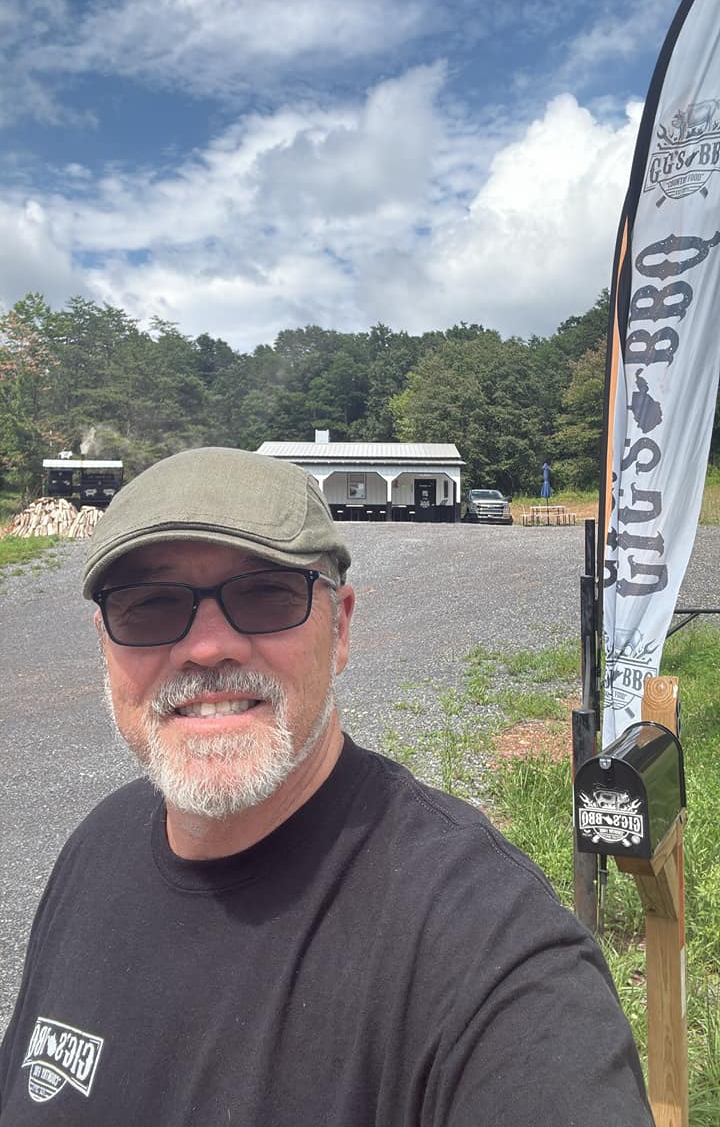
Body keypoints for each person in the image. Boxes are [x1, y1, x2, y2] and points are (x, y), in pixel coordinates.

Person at [0, 447, 653, 1126]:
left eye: (264, 593)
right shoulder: (95, 850)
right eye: (149, 606)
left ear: (339, 627)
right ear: (105, 644)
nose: (206, 647)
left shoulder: (485, 950)